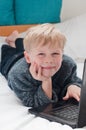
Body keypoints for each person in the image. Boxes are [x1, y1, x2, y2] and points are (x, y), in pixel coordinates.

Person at [1, 23, 82, 107]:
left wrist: (73, 86)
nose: (48, 60)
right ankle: (11, 42)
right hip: (12, 61)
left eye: (55, 53)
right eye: (41, 54)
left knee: (29, 48)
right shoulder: (17, 74)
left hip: (33, 55)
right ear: (28, 58)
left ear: (62, 54)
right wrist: (46, 79)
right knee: (9, 53)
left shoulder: (68, 65)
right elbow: (37, 103)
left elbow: (74, 80)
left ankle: (16, 40)